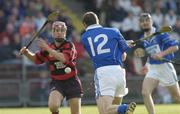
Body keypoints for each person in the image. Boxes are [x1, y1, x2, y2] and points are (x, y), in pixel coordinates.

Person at [20, 21, 83, 114]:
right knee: (53, 106)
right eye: (57, 30)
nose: (59, 32)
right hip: (57, 82)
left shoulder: (69, 45)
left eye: (62, 30)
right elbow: (37, 59)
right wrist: (27, 53)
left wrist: (47, 48)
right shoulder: (49, 46)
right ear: (53, 33)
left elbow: (63, 58)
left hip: (72, 81)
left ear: (65, 33)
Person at [81, 11, 136, 114]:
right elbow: (123, 56)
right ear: (98, 21)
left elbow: (98, 53)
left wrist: (121, 45)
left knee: (105, 110)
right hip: (119, 72)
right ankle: (122, 109)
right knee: (113, 110)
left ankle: (125, 108)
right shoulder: (114, 31)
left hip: (103, 73)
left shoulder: (84, 37)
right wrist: (124, 45)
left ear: (84, 24)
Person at [134, 13, 180, 114]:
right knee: (145, 93)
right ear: (140, 24)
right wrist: (146, 65)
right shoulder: (143, 38)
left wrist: (162, 54)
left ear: (152, 22)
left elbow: (175, 47)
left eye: (147, 20)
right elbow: (150, 54)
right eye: (142, 21)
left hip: (165, 68)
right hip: (153, 68)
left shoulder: (161, 33)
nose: (145, 23)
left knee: (177, 96)